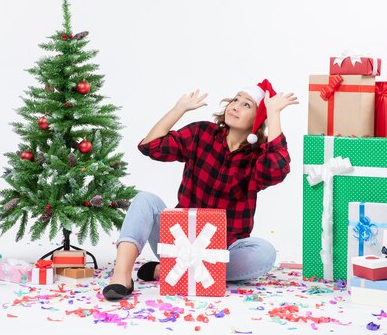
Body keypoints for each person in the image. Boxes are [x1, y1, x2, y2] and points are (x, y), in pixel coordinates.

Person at [102, 79, 299, 300]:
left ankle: (169, 271)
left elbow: (276, 171)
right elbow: (151, 146)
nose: (235, 106)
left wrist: (273, 115)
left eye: (247, 105)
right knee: (145, 199)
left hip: (222, 251)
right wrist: (179, 109)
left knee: (265, 252)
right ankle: (121, 276)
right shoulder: (202, 133)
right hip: (177, 243)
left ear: (257, 120)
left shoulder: (257, 155)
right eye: (235, 100)